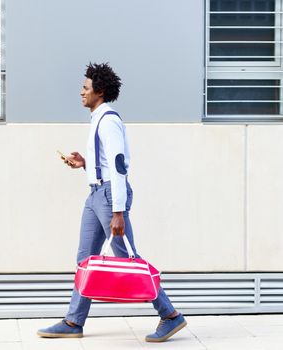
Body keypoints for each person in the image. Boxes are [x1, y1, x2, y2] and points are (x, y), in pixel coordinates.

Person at [37, 63, 187, 343]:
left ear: (100, 91)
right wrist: (85, 164)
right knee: (85, 259)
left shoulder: (109, 121)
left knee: (128, 256)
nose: (81, 92)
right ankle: (74, 321)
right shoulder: (97, 119)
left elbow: (118, 167)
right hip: (95, 194)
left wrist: (118, 212)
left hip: (109, 198)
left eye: (85, 87)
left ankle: (170, 315)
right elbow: (106, 164)